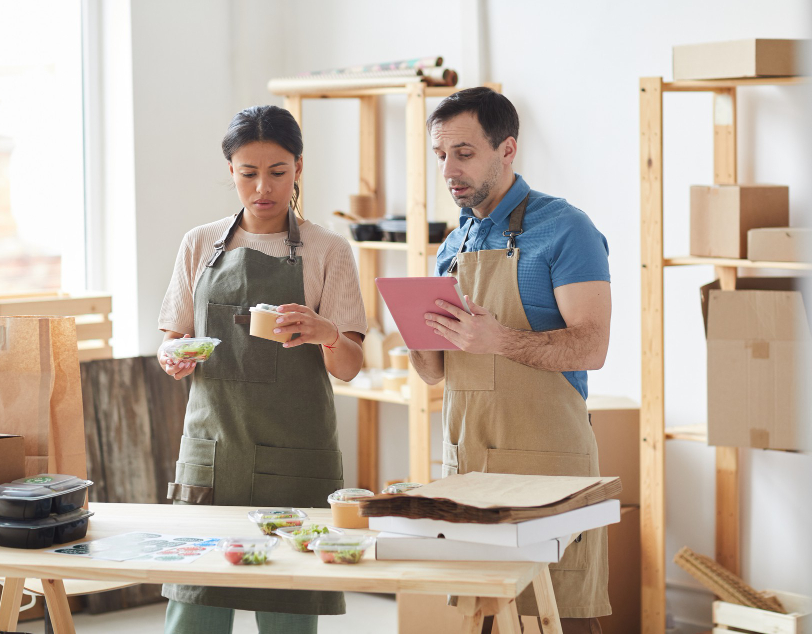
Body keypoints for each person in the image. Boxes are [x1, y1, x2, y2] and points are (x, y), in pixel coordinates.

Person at [157, 104, 367, 634]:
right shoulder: (199, 244)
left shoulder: (328, 251)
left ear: (298, 167)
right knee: (195, 605)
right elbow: (173, 338)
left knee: (289, 610)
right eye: (248, 173)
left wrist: (327, 334)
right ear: (230, 170)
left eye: (277, 172)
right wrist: (172, 356)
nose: (262, 188)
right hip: (212, 449)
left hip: (294, 451)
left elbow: (349, 368)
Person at [409, 87, 612, 634]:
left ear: (507, 150)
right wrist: (415, 340)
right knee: (488, 619)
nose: (449, 169)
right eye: (440, 155)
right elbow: (436, 374)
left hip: (548, 468)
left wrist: (499, 340)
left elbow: (592, 345)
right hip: (471, 464)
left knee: (560, 617)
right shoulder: (452, 245)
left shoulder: (566, 228)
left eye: (464, 153)